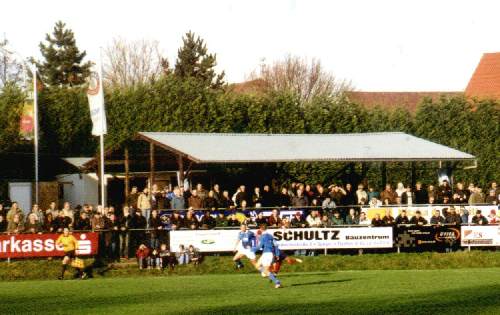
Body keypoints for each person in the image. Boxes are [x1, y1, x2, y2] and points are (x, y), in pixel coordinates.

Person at [255, 224, 282, 289]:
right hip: (268, 254)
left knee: (266, 271)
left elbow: (259, 246)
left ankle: (277, 282)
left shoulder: (262, 236)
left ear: (261, 229)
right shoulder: (271, 236)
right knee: (257, 265)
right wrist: (277, 254)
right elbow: (276, 245)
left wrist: (252, 249)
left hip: (267, 254)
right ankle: (267, 274)